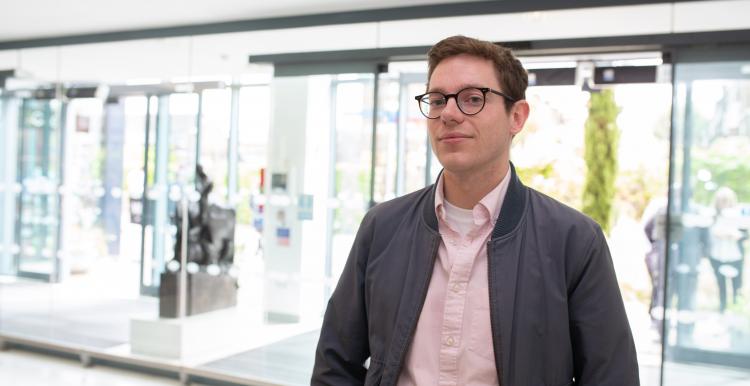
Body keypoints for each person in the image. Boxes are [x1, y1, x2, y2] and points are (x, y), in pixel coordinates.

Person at [312, 35, 639, 386]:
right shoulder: (382, 227)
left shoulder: (574, 240)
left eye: (472, 99)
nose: (448, 114)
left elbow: (611, 377)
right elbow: (335, 363)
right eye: (437, 100)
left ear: (517, 116)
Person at [708, 187, 745, 312]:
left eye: (727, 200)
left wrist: (737, 235)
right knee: (721, 283)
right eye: (722, 200)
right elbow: (707, 234)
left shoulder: (739, 214)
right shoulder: (713, 215)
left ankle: (736, 306)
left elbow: (746, 233)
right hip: (717, 254)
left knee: (737, 283)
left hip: (735, 255)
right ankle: (722, 307)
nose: (724, 203)